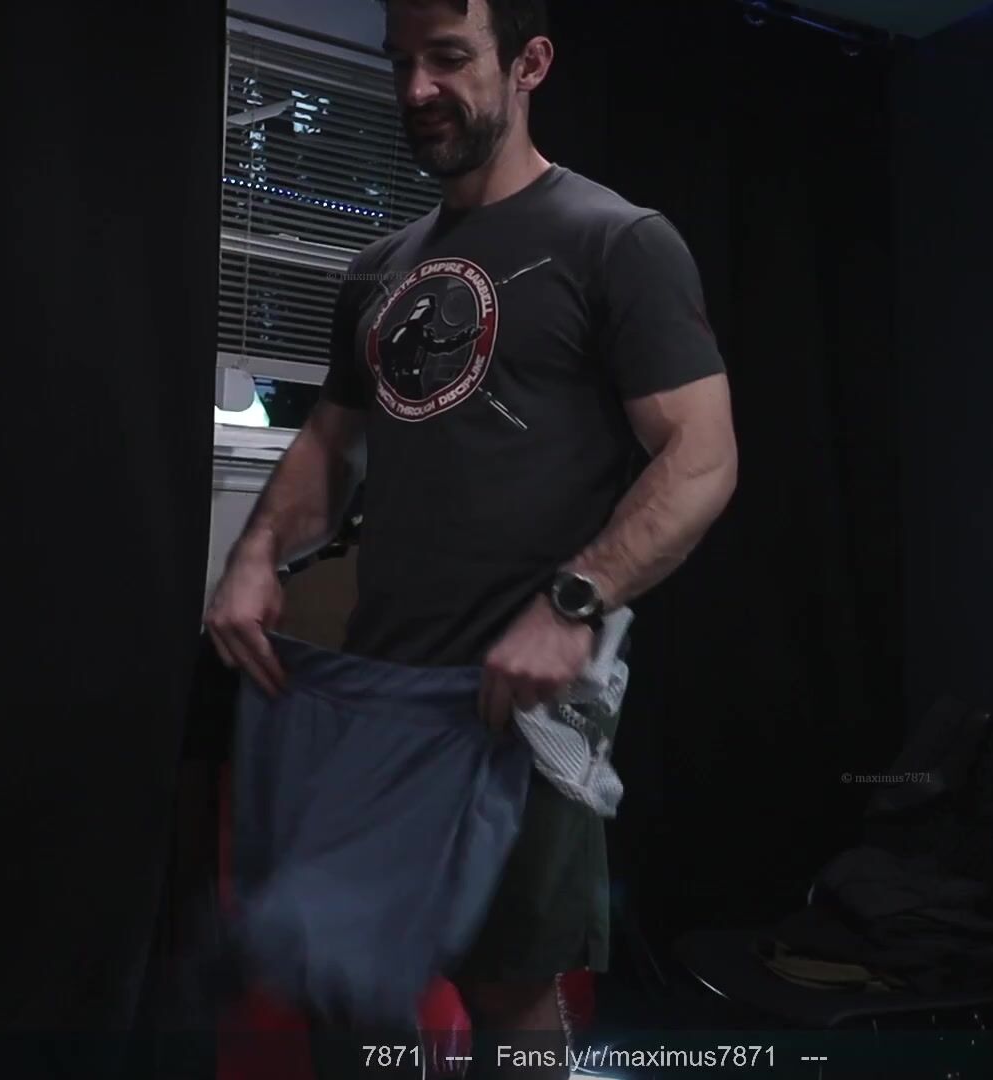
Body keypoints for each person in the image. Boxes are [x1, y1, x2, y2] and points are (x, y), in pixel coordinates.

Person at [204, 0, 738, 1074]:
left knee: (508, 987)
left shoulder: (615, 241)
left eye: (449, 59)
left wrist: (571, 605)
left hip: (516, 701)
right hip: (380, 691)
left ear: (530, 62)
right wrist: (256, 554)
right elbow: (332, 446)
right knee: (343, 973)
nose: (416, 91)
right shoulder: (380, 268)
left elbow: (702, 456)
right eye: (401, 62)